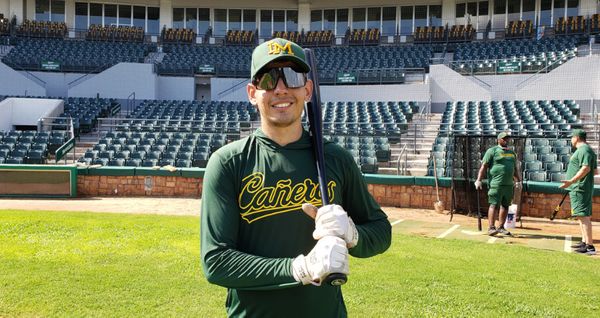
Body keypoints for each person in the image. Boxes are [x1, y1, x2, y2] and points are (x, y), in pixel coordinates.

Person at [200, 38, 391, 317]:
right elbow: (217, 262)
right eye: (268, 79)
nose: (280, 88)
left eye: (291, 76)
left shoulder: (335, 159)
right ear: (252, 93)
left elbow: (381, 231)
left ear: (308, 89)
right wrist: (300, 268)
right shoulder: (229, 162)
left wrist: (353, 234)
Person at [475, 132, 522, 236]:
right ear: (498, 140)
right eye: (504, 138)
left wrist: (518, 181)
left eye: (507, 138)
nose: (506, 140)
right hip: (496, 184)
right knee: (494, 204)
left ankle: (501, 227)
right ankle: (491, 228)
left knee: (505, 206)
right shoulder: (492, 151)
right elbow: (484, 166)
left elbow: (515, 169)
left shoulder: (512, 153)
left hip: (509, 185)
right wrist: (479, 180)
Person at [559, 129, 597, 255]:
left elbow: (586, 168)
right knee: (581, 215)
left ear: (576, 137)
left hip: (580, 187)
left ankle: (590, 246)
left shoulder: (583, 150)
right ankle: (584, 241)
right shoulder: (587, 150)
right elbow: (595, 172)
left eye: (572, 137)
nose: (571, 140)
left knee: (584, 216)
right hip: (580, 187)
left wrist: (571, 181)